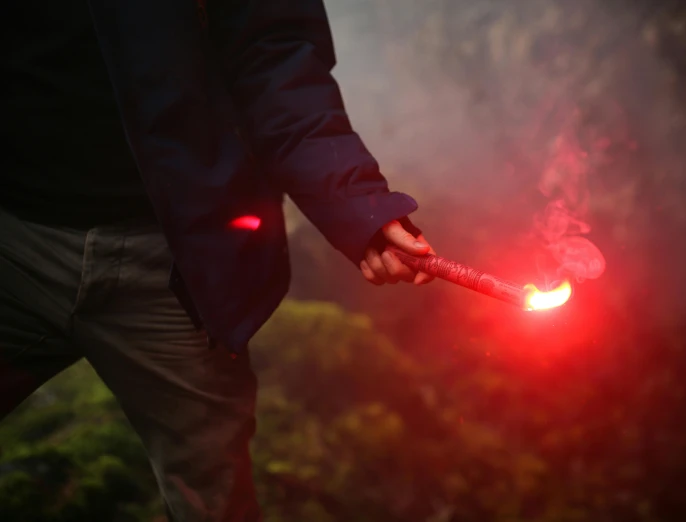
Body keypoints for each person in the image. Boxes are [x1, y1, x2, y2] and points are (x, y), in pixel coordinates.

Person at [0, 0, 434, 520]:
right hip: (14, 243)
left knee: (216, 499)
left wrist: (358, 206)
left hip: (178, 264)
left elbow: (272, 54)